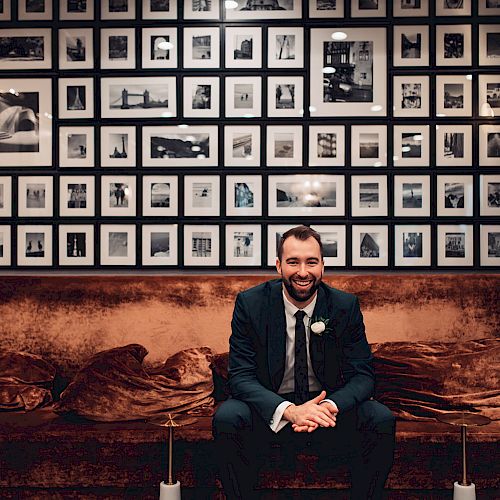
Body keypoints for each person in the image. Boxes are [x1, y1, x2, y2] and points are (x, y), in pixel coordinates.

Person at [213, 225, 395, 499]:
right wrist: (288, 410)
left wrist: (327, 407)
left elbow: (363, 375)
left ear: (323, 266)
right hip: (270, 412)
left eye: (311, 262)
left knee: (380, 418)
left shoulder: (345, 306)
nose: (302, 272)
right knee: (227, 417)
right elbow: (240, 376)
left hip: (327, 415)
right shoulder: (251, 304)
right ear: (278, 266)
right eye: (293, 262)